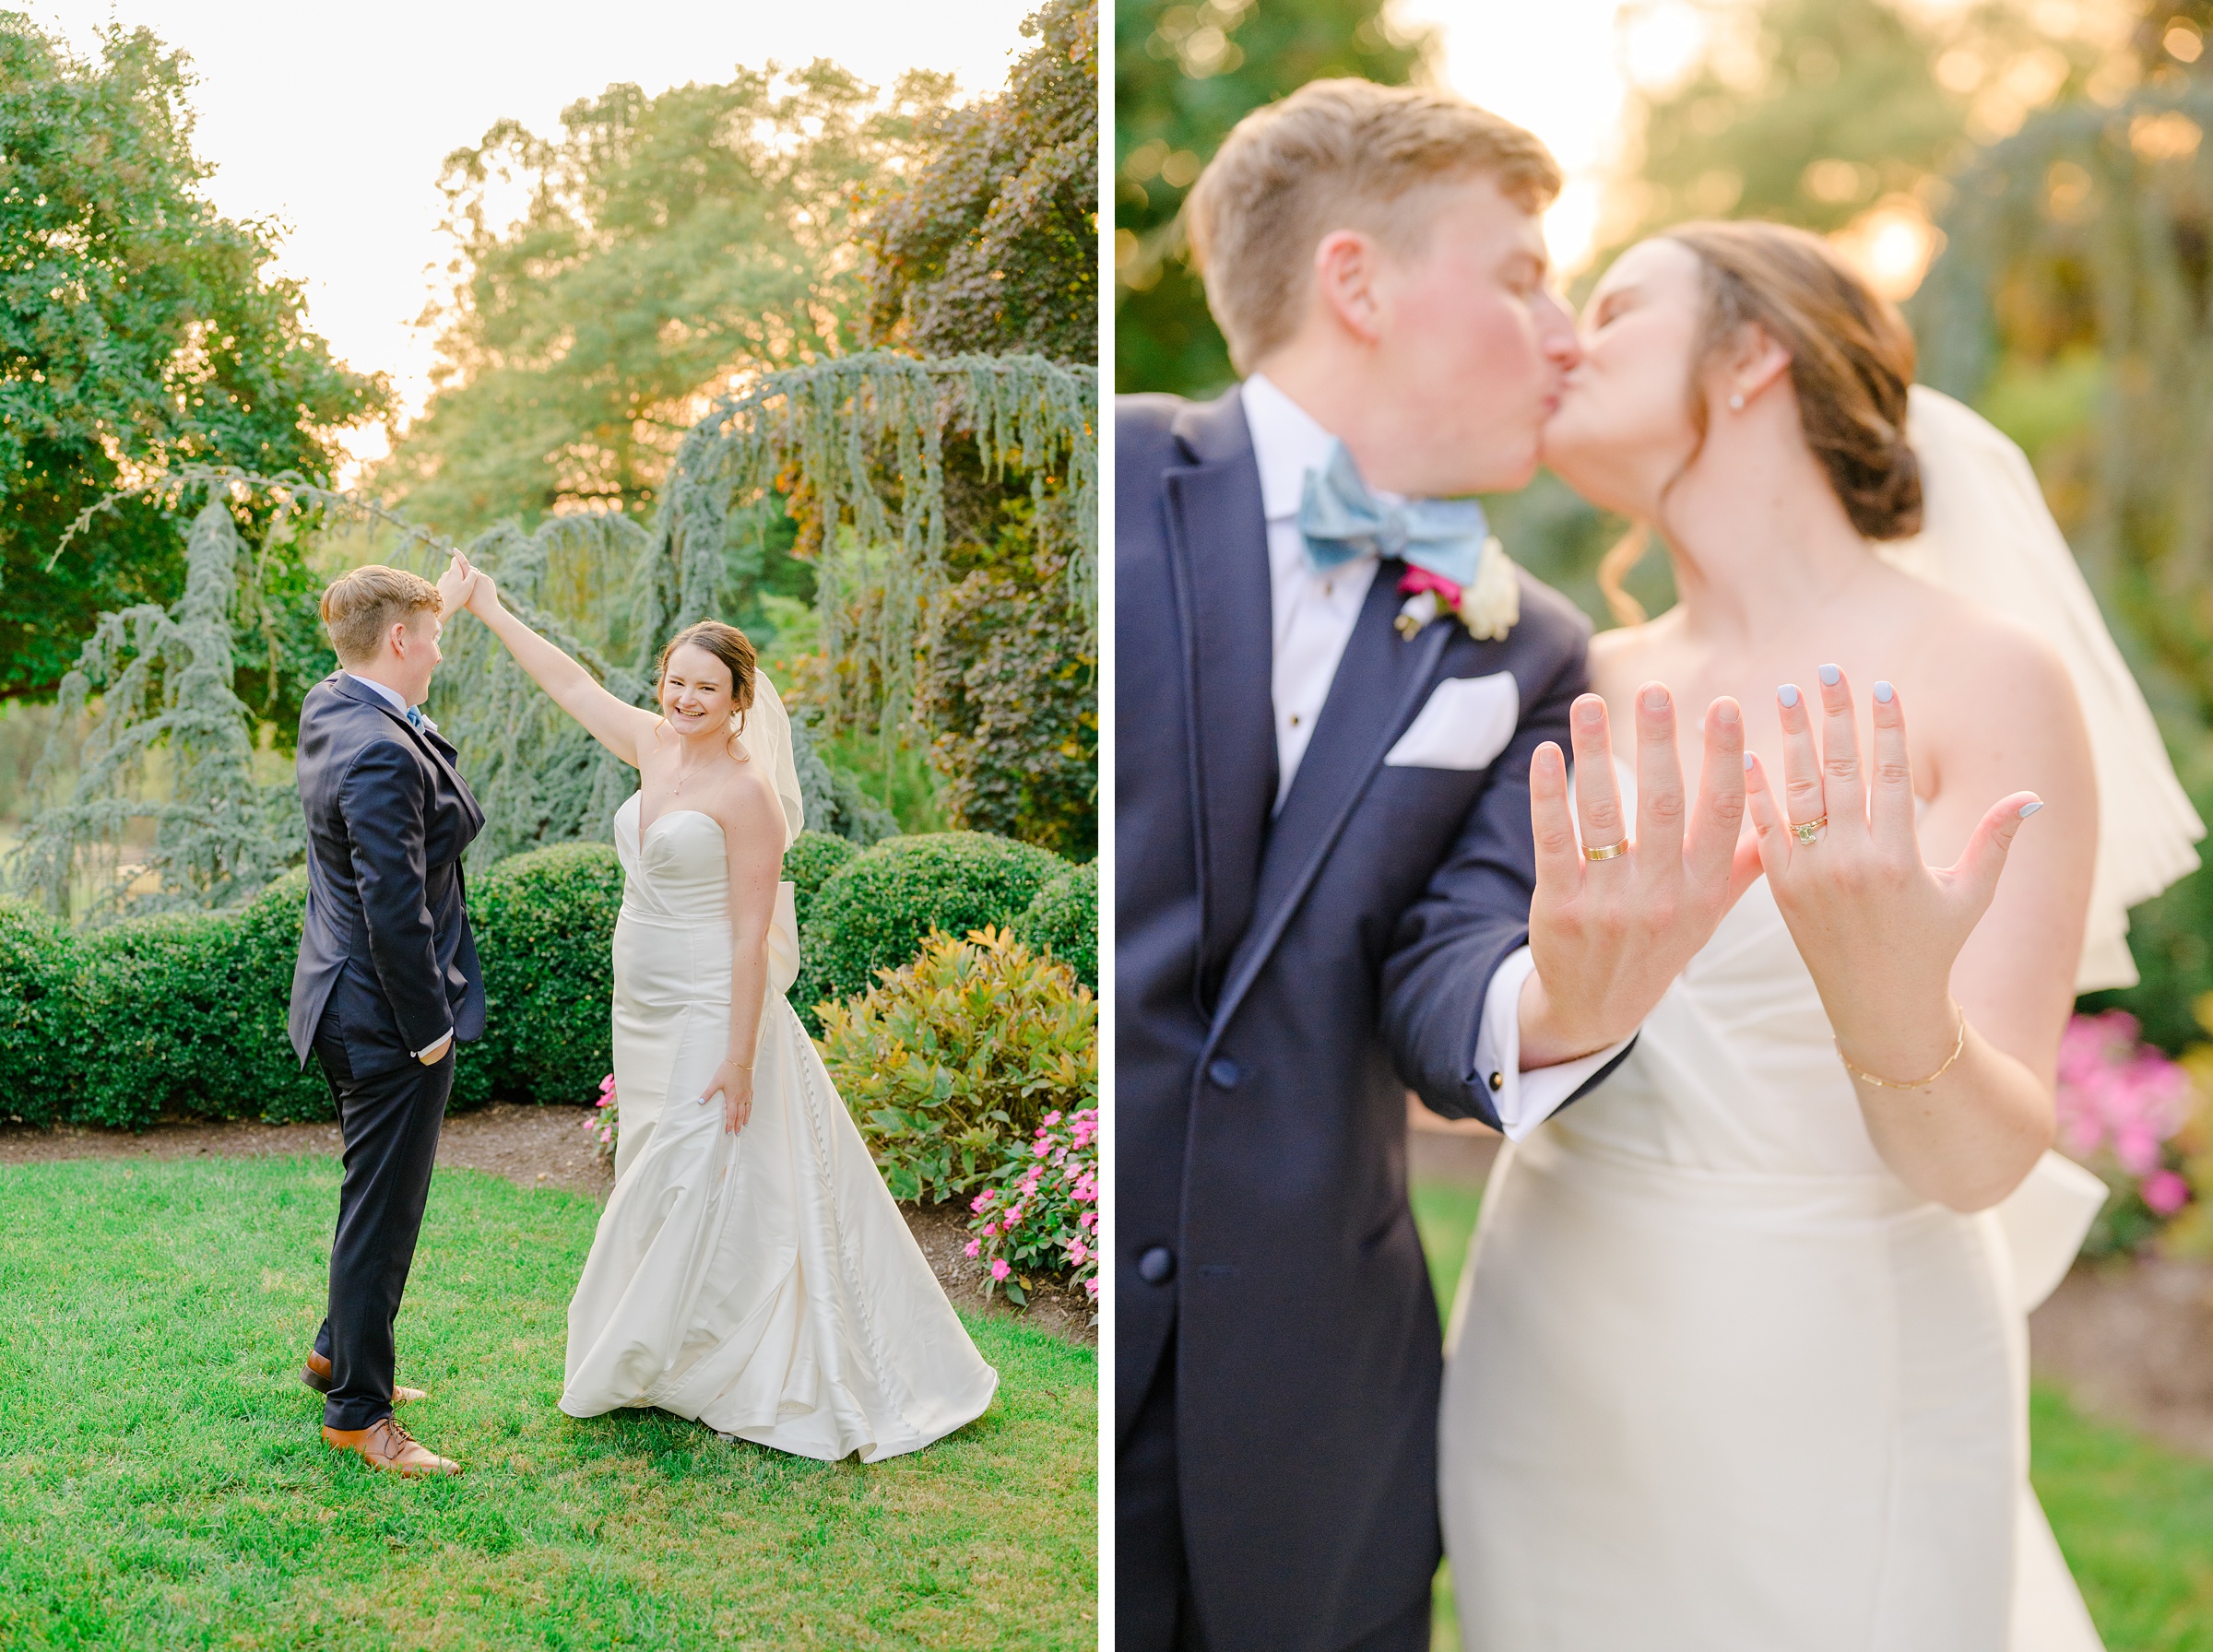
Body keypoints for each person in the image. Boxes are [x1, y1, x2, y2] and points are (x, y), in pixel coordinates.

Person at [1438, 221, 2202, 1649]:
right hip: (1545, 1337)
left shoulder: (1980, 675)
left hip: (1832, 1354)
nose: (1563, 340)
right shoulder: (1582, 679)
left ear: (1750, 354)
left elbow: (1979, 1161)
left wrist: (1889, 995)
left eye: (1611, 310)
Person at [1116, 80, 1756, 1652]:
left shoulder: (1533, 645)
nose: (1561, 333)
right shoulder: (1115, 475)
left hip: (1325, 1417)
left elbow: (1446, 954)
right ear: (1359, 280)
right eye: (1524, 273)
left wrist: (1571, 991)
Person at [454, 566, 999, 1460]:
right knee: (655, 1161)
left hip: (714, 994)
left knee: (698, 1156)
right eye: (675, 680)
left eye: (706, 686)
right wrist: (489, 607)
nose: (685, 697)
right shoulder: (651, 743)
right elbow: (570, 682)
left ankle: (707, 1356)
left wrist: (741, 1056)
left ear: (741, 699)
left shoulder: (747, 796)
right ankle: (670, 1353)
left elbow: (753, 937)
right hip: (644, 999)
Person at [289, 556, 485, 1477]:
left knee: (370, 1200)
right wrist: (429, 1026)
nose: (440, 653)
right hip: (385, 1015)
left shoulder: (336, 703)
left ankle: (339, 1348)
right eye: (433, 636)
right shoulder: (373, 743)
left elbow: (409, 737)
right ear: (400, 640)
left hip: (338, 996)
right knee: (385, 1213)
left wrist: (435, 592)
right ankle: (359, 1412)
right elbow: (392, 905)